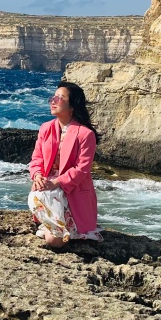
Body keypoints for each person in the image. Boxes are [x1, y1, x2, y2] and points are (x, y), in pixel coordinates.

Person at [28, 80, 102, 247]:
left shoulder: (85, 134)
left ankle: (64, 227)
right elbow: (36, 158)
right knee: (52, 238)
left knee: (54, 241)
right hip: (47, 187)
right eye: (53, 97)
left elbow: (81, 169)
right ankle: (49, 223)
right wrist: (38, 176)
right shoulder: (45, 128)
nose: (53, 101)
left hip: (71, 190)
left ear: (72, 106)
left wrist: (55, 182)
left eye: (60, 98)